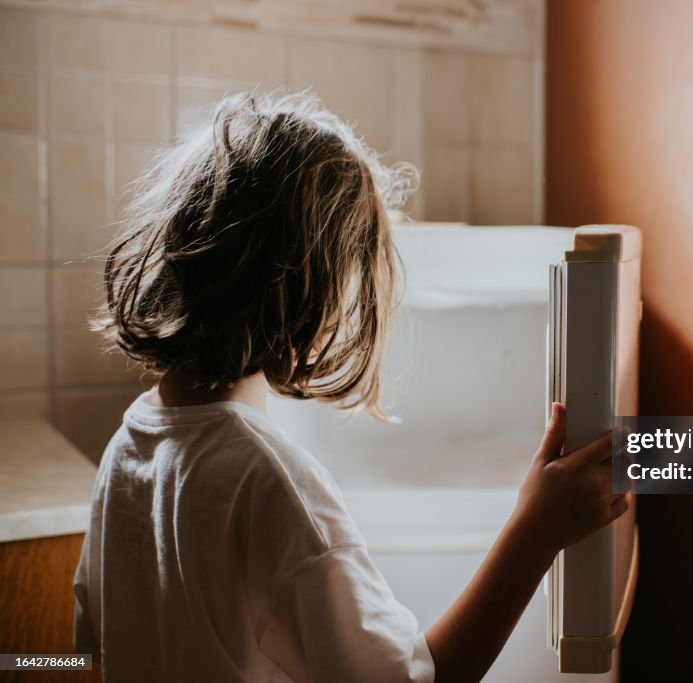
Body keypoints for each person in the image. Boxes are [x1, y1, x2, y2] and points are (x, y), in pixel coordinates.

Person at [73, 91, 628, 683]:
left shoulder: (131, 444)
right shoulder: (271, 482)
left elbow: (96, 636)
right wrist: (534, 533)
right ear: (311, 285)